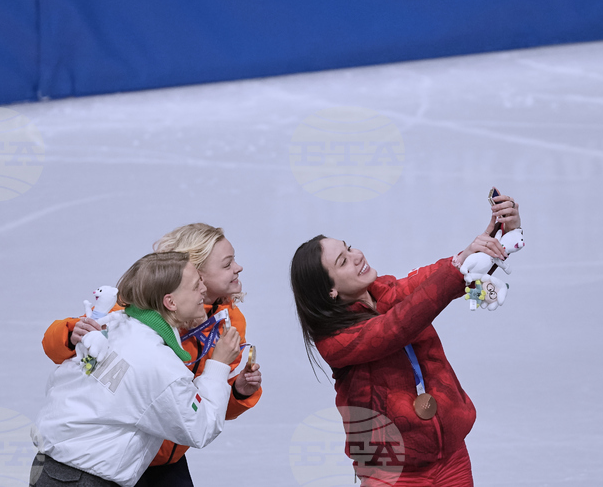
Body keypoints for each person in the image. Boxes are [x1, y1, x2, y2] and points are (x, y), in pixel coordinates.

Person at [290, 194, 520, 487]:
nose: (357, 255)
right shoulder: (335, 340)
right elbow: (397, 326)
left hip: (451, 459)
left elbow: (436, 280)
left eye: (349, 247)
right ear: (330, 291)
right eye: (343, 261)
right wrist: (457, 268)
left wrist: (499, 236)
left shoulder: (388, 291)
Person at [41, 224, 262, 487]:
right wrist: (71, 334)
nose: (238, 268)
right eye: (227, 264)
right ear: (195, 273)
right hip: (110, 459)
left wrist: (237, 392)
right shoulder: (136, 319)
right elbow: (200, 422)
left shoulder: (227, 322)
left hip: (138, 454)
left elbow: (202, 403)